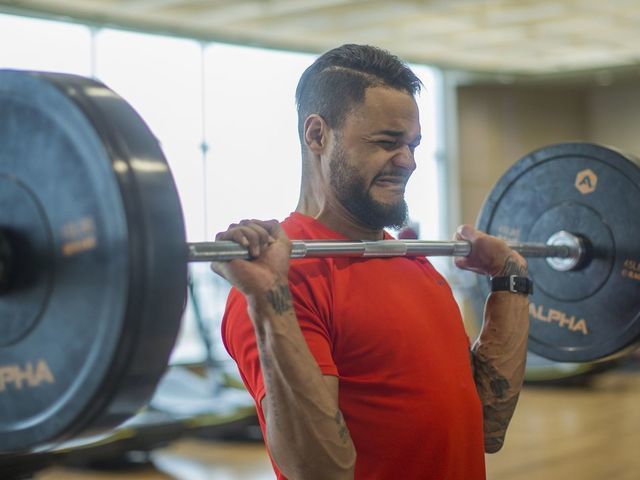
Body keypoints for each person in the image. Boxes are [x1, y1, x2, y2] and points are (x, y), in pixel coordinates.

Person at [211, 44, 530, 480]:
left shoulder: (412, 263)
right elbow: (320, 470)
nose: (408, 162)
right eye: (386, 143)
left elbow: (488, 427)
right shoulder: (281, 280)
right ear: (317, 135)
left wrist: (509, 280)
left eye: (413, 145)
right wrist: (268, 299)